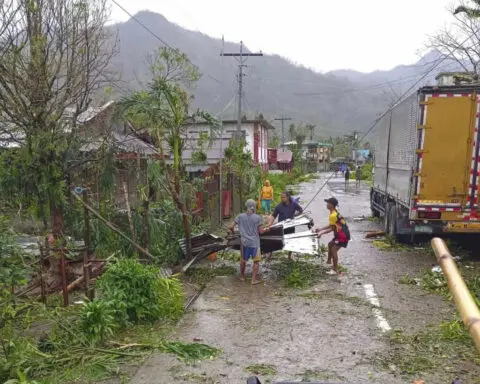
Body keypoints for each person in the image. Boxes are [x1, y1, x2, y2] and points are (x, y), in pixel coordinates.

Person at [229, 199, 269, 285]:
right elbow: (261, 232)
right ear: (254, 207)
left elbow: (231, 226)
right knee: (256, 261)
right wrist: (266, 229)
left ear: (246, 206)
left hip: (244, 242)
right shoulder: (258, 217)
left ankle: (242, 276)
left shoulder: (240, 216)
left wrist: (233, 232)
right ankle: (253, 280)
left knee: (243, 260)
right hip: (255, 243)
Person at [315, 197, 349, 275]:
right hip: (340, 234)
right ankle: (329, 261)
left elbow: (332, 229)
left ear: (331, 205)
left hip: (342, 235)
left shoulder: (333, 215)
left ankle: (335, 268)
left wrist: (321, 233)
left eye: (328, 203)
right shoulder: (333, 213)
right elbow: (331, 225)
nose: (327, 204)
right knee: (330, 244)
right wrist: (321, 229)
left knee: (334, 249)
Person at [267, 191, 304, 260]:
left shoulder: (294, 204)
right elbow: (273, 216)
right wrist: (269, 224)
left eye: (283, 197)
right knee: (275, 240)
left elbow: (301, 210)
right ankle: (270, 253)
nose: (282, 199)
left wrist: (296, 214)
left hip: (291, 226)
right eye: (281, 197)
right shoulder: (279, 206)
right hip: (281, 227)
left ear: (288, 197)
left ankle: (289, 256)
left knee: (291, 240)